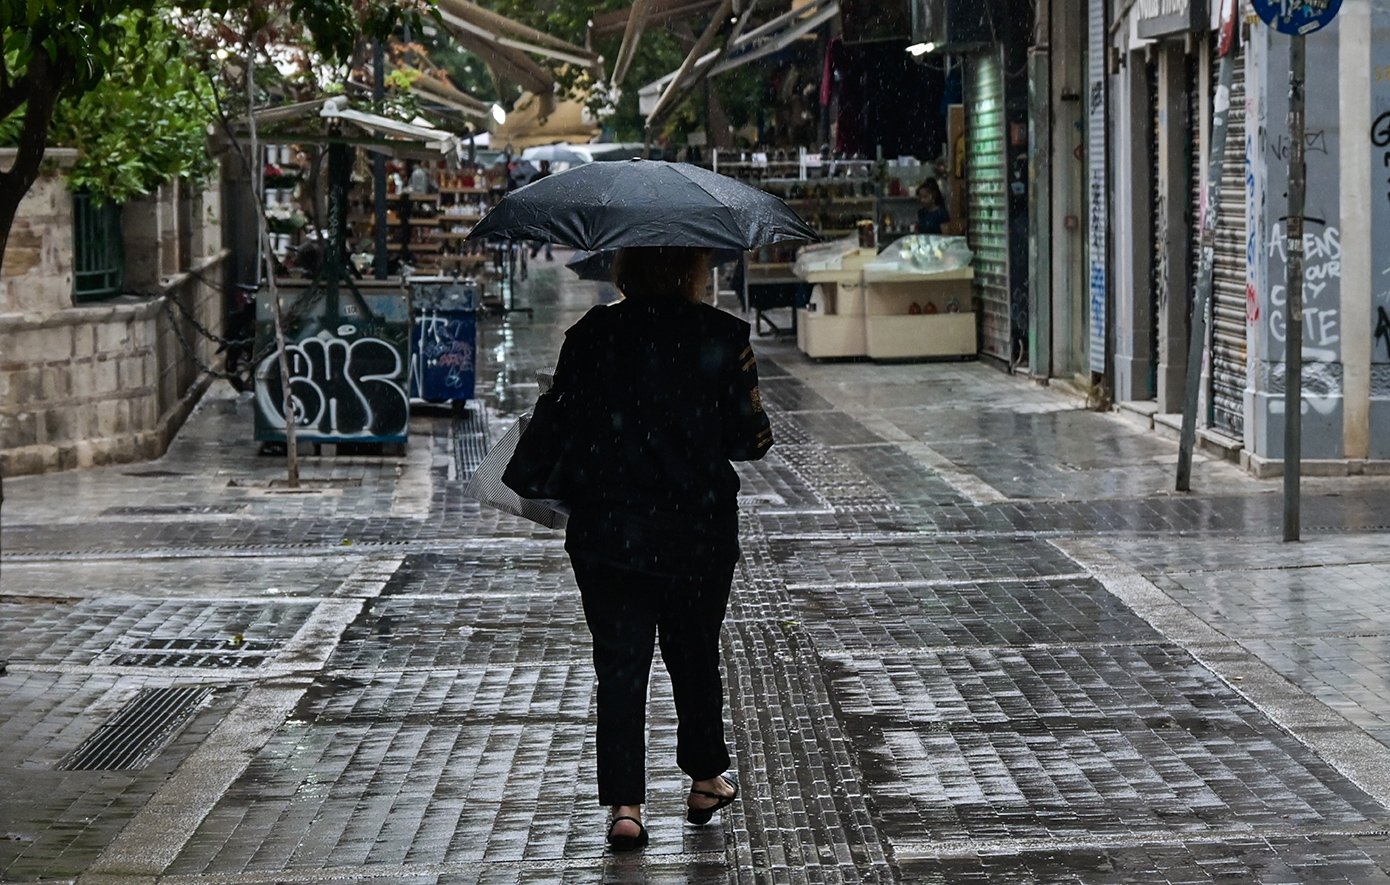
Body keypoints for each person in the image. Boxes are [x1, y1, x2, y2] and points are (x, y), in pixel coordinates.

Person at [547, 246, 773, 852]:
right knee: (693, 652)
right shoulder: (724, 336)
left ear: (624, 267)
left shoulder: (592, 334)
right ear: (696, 270)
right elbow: (752, 440)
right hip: (695, 529)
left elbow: (562, 421)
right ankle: (704, 779)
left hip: (609, 530)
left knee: (619, 665)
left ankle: (626, 806)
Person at [528, 161, 554, 261]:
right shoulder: (538, 177)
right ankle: (537, 249)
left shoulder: (550, 177)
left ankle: (545, 252)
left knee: (548, 232)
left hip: (546, 207)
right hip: (539, 208)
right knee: (541, 231)